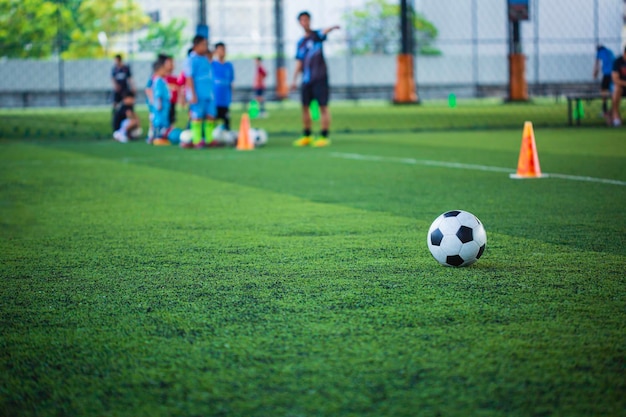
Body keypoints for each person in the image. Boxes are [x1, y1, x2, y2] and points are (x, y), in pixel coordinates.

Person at [290, 11, 340, 147]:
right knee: (304, 107)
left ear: (310, 21)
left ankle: (324, 135)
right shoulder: (300, 43)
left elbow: (324, 31)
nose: (304, 22)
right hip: (306, 80)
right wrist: (294, 80)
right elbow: (299, 62)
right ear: (299, 23)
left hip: (320, 78)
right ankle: (307, 134)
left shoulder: (316, 36)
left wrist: (332, 27)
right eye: (302, 20)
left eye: (306, 19)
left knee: (323, 107)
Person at [184, 35, 216, 149]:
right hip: (197, 94)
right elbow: (189, 77)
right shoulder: (191, 60)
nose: (205, 47)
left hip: (208, 93)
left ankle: (209, 139)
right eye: (203, 45)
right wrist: (192, 94)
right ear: (195, 46)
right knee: (197, 117)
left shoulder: (205, 58)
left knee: (210, 115)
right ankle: (197, 140)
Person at [212, 42, 235, 131]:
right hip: (214, 99)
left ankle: (226, 135)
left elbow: (231, 81)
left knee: (226, 120)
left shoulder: (229, 66)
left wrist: (231, 95)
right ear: (216, 51)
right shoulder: (212, 64)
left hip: (225, 99)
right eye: (220, 49)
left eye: (224, 49)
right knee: (212, 119)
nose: (223, 52)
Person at [151, 59, 172, 141]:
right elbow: (158, 94)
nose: (165, 71)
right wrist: (158, 103)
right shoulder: (158, 81)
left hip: (165, 105)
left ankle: (162, 137)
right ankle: (157, 137)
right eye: (163, 69)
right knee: (159, 121)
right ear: (158, 70)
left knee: (164, 120)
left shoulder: (162, 80)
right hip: (161, 105)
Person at [593, 45, 615, 117]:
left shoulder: (599, 52)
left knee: (603, 91)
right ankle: (613, 110)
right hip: (614, 74)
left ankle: (605, 110)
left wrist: (595, 74)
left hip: (607, 74)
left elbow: (597, 64)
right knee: (612, 92)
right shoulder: (610, 51)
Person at [611, 46, 626, 127]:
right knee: (617, 89)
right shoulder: (617, 62)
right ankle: (615, 115)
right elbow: (615, 79)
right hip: (621, 86)